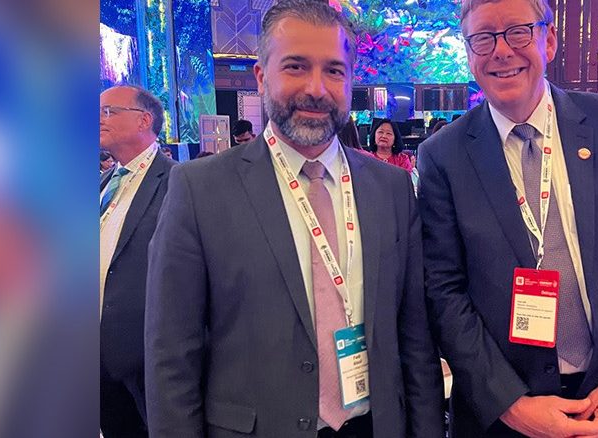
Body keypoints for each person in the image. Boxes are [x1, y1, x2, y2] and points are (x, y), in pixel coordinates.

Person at [144, 1, 444, 437]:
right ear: (261, 76)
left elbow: (415, 337)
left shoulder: (392, 189)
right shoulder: (199, 189)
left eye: (334, 71)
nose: (316, 88)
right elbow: (172, 354)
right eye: (296, 67)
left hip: (375, 425)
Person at [416, 0, 598, 437]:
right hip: (505, 416)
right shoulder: (443, 156)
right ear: (468, 52)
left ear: (550, 39)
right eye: (483, 38)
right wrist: (510, 404)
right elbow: (443, 292)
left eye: (518, 31)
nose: (501, 50)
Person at [99, 85, 176, 437]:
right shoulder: (104, 182)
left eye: (108, 111)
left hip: (144, 358)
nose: (98, 119)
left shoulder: (177, 181)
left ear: (144, 120)